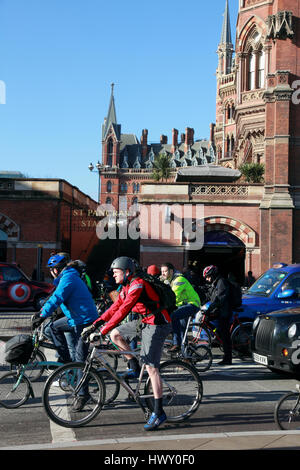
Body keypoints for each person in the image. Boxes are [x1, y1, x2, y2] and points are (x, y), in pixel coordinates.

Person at [82, 256, 172, 431]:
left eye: (116, 272)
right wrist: (95, 324)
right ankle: (134, 366)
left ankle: (159, 412)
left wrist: (102, 331)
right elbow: (114, 308)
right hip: (144, 321)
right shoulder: (125, 286)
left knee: (152, 368)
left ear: (127, 272)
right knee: (116, 334)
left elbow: (125, 309)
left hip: (158, 323)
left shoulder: (137, 284)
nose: (113, 276)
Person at [31, 252, 99, 411]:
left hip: (85, 321)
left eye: (51, 269)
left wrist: (41, 315)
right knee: (53, 327)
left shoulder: (68, 277)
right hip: (75, 319)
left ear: (57, 269)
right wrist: (41, 313)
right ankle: (66, 360)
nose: (51, 272)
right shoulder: (67, 276)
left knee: (79, 359)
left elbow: (57, 298)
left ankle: (83, 395)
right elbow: (53, 297)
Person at [160, 262, 201, 353]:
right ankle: (185, 355)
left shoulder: (179, 280)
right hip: (182, 305)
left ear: (171, 271)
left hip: (192, 304)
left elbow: (174, 297)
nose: (162, 274)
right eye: (161, 271)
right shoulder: (170, 280)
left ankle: (177, 344)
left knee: (174, 317)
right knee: (182, 331)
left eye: (165, 271)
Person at [203, 265, 232, 365]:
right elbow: (211, 297)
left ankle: (228, 358)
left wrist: (210, 308)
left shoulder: (221, 282)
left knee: (225, 336)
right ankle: (217, 335)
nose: (207, 279)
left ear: (213, 275)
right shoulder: (215, 283)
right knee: (206, 320)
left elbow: (220, 298)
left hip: (224, 312)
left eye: (208, 276)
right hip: (219, 311)